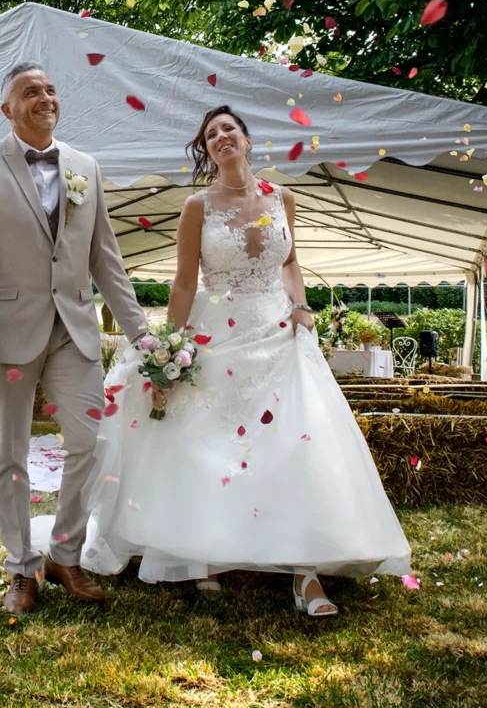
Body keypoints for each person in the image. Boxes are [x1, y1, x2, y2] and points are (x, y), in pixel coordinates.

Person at [78, 105, 411, 615]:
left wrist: (301, 308)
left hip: (279, 333)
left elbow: (292, 262)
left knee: (296, 438)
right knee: (209, 440)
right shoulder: (197, 206)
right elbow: (185, 279)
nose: (220, 138)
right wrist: (172, 342)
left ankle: (306, 573)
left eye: (228, 129)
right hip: (218, 335)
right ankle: (209, 553)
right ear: (207, 150)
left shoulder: (283, 197)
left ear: (247, 139)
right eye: (211, 135)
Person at [0, 63, 147, 614]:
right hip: (5, 336)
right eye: (30, 92)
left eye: (51, 89)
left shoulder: (86, 167)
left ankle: (64, 553)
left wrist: (143, 335)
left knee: (92, 441)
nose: (44, 98)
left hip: (73, 331)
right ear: (8, 108)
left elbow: (106, 260)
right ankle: (21, 569)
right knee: (8, 455)